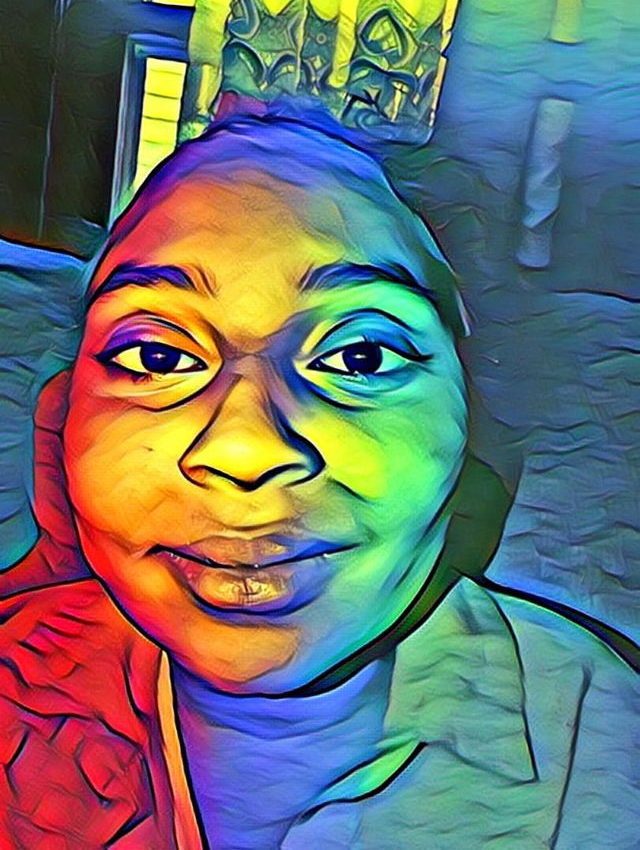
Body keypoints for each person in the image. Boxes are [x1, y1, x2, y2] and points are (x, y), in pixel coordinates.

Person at [0, 102, 637, 849]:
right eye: (157, 356)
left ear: (473, 422)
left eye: (360, 356)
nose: (243, 447)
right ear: (62, 423)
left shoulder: (600, 746)